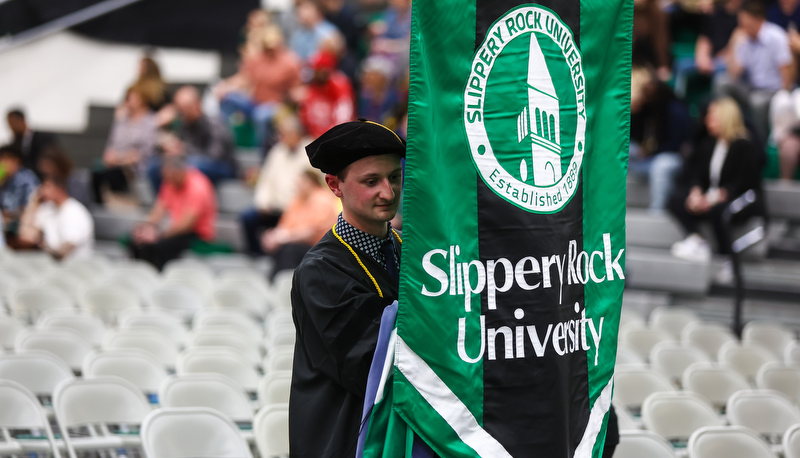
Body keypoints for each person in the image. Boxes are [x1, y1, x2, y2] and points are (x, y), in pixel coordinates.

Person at [290, 119, 405, 457]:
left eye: (394, 177)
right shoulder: (321, 273)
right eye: (371, 181)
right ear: (334, 185)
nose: (388, 192)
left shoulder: (410, 252)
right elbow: (376, 365)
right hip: (342, 441)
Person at [668, 97, 765, 262]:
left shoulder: (744, 146)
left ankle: (726, 258)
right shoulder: (708, 144)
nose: (707, 120)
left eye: (711, 117)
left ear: (725, 119)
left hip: (742, 200)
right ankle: (696, 239)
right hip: (712, 197)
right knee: (676, 200)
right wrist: (696, 193)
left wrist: (712, 199)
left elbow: (744, 182)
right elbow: (697, 175)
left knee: (719, 210)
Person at [716, 0, 794, 141]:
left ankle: (759, 143)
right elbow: (733, 74)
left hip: (774, 92)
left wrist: (783, 98)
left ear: (759, 20)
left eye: (746, 23)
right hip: (752, 88)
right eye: (741, 23)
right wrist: (734, 44)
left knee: (756, 101)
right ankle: (727, 131)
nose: (743, 27)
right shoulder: (744, 38)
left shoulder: (776, 36)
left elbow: (786, 72)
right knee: (722, 82)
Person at [217, 25, 302, 148]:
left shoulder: (290, 62)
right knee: (226, 98)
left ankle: (259, 153)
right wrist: (225, 87)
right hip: (254, 101)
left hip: (276, 105)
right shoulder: (257, 59)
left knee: (260, 116)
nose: (269, 50)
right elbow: (244, 78)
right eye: (267, 46)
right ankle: (224, 140)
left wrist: (293, 98)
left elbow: (297, 87)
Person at [240, 115, 312, 256]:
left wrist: (292, 206)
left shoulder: (310, 151)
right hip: (273, 207)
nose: (280, 137)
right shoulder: (277, 151)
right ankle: (256, 255)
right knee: (247, 218)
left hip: (297, 208)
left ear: (295, 134)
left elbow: (311, 186)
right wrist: (263, 203)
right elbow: (266, 181)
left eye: (283, 134)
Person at [130, 155, 217, 270]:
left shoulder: (198, 187)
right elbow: (158, 211)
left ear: (180, 172)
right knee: (137, 243)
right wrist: (145, 227)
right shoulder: (170, 182)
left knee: (160, 246)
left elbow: (186, 225)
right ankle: (140, 275)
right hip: (176, 228)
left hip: (196, 234)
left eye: (169, 177)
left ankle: (159, 275)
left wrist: (158, 235)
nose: (167, 181)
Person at [629, 67, 693, 212]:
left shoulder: (674, 109)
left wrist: (651, 152)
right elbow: (635, 137)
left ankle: (657, 211)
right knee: (624, 151)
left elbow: (676, 145)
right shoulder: (643, 110)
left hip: (671, 157)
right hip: (646, 159)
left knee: (662, 165)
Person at [151, 85, 237, 190]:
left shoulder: (214, 124)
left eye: (186, 108)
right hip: (193, 162)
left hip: (222, 167)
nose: (183, 113)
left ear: (197, 104)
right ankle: (169, 203)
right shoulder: (183, 124)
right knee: (156, 167)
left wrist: (183, 151)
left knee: (191, 166)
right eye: (180, 109)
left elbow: (214, 156)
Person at [262, 169, 339, 278]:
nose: (297, 186)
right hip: (298, 243)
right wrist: (273, 236)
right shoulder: (297, 200)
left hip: (320, 247)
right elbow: (284, 227)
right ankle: (277, 283)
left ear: (310, 182)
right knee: (281, 248)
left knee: (289, 250)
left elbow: (311, 232)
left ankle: (288, 282)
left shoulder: (322, 199)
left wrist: (283, 237)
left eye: (300, 182)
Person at [92, 84, 158, 205]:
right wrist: (111, 156)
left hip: (134, 168)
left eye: (133, 98)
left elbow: (143, 153)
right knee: (96, 171)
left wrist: (120, 159)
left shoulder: (149, 122)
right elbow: (111, 144)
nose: (129, 102)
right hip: (116, 163)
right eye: (128, 98)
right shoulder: (121, 120)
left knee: (113, 174)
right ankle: (101, 206)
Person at [17, 175, 94, 261]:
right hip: (51, 267)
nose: (43, 191)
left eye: (47, 187)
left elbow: (63, 253)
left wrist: (40, 243)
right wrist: (34, 201)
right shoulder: (48, 209)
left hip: (76, 268)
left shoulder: (75, 212)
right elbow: (25, 235)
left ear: (59, 188)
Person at [298, 51, 356, 138]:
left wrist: (326, 137)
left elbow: (343, 120)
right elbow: (306, 117)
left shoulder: (340, 87)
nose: (316, 74)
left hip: (337, 137)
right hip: (314, 138)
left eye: (319, 71)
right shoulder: (311, 90)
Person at [0, 145, 39, 243]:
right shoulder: (4, 180)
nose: (2, 163)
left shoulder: (26, 179)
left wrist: (13, 215)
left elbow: (31, 206)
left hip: (20, 229)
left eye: (6, 159)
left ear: (16, 161)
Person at [6, 108, 58, 175]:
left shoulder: (42, 138)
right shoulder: (15, 143)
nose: (11, 127)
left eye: (12, 123)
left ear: (21, 120)